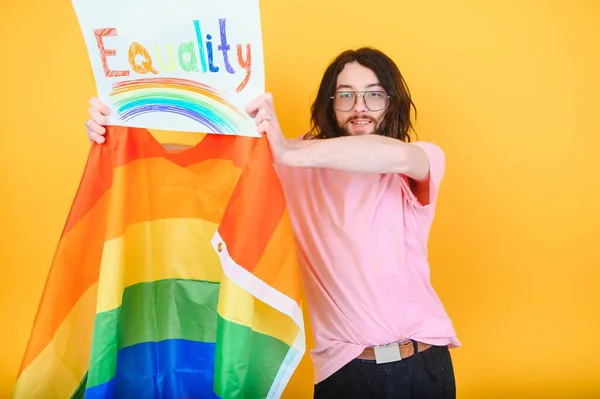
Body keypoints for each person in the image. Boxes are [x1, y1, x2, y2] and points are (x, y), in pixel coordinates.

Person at [84, 47, 460, 399]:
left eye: (374, 95)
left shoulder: (419, 159)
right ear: (330, 104)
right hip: (346, 372)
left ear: (392, 103)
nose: (360, 107)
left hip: (426, 366)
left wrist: (290, 149)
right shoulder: (291, 167)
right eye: (346, 95)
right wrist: (120, 133)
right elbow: (198, 165)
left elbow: (390, 155)